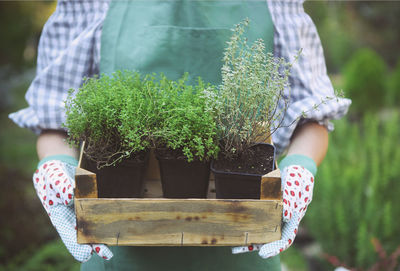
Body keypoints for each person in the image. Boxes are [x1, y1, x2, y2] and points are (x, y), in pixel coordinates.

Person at [10, 0, 351, 270]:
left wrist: (300, 170)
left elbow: (314, 115)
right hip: (116, 251)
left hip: (245, 251)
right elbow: (55, 120)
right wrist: (55, 166)